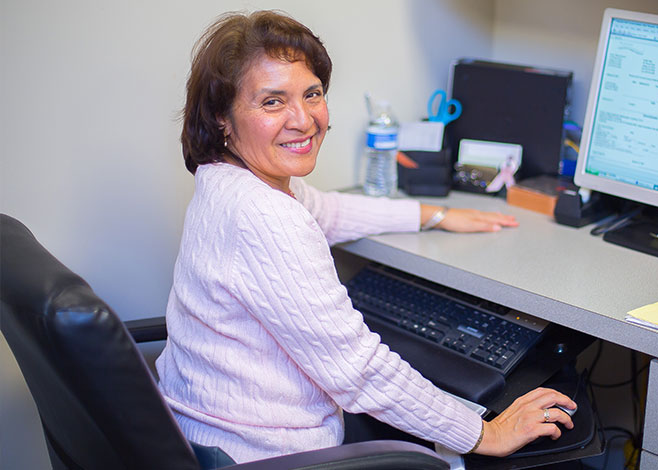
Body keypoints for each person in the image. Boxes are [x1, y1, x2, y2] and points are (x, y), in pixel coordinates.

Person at [156, 10, 576, 464]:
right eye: (272, 102)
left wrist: (433, 214)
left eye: (312, 94)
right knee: (452, 458)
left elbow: (327, 210)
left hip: (197, 431)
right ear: (223, 117)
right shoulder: (263, 215)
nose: (303, 119)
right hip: (263, 455)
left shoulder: (226, 178)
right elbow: (357, 371)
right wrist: (484, 433)